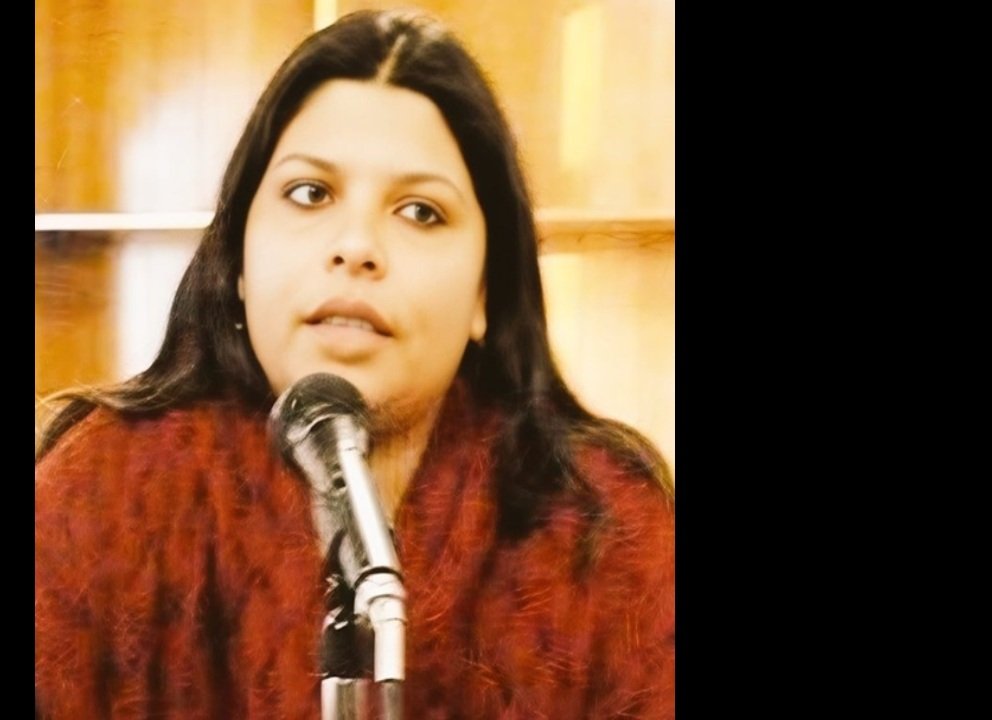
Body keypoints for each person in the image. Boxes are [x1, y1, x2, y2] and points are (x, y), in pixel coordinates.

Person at [35, 9, 674, 719]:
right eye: (310, 194)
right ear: (238, 260)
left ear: (485, 293)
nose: (357, 246)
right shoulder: (96, 494)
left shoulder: (607, 530)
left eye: (421, 211)